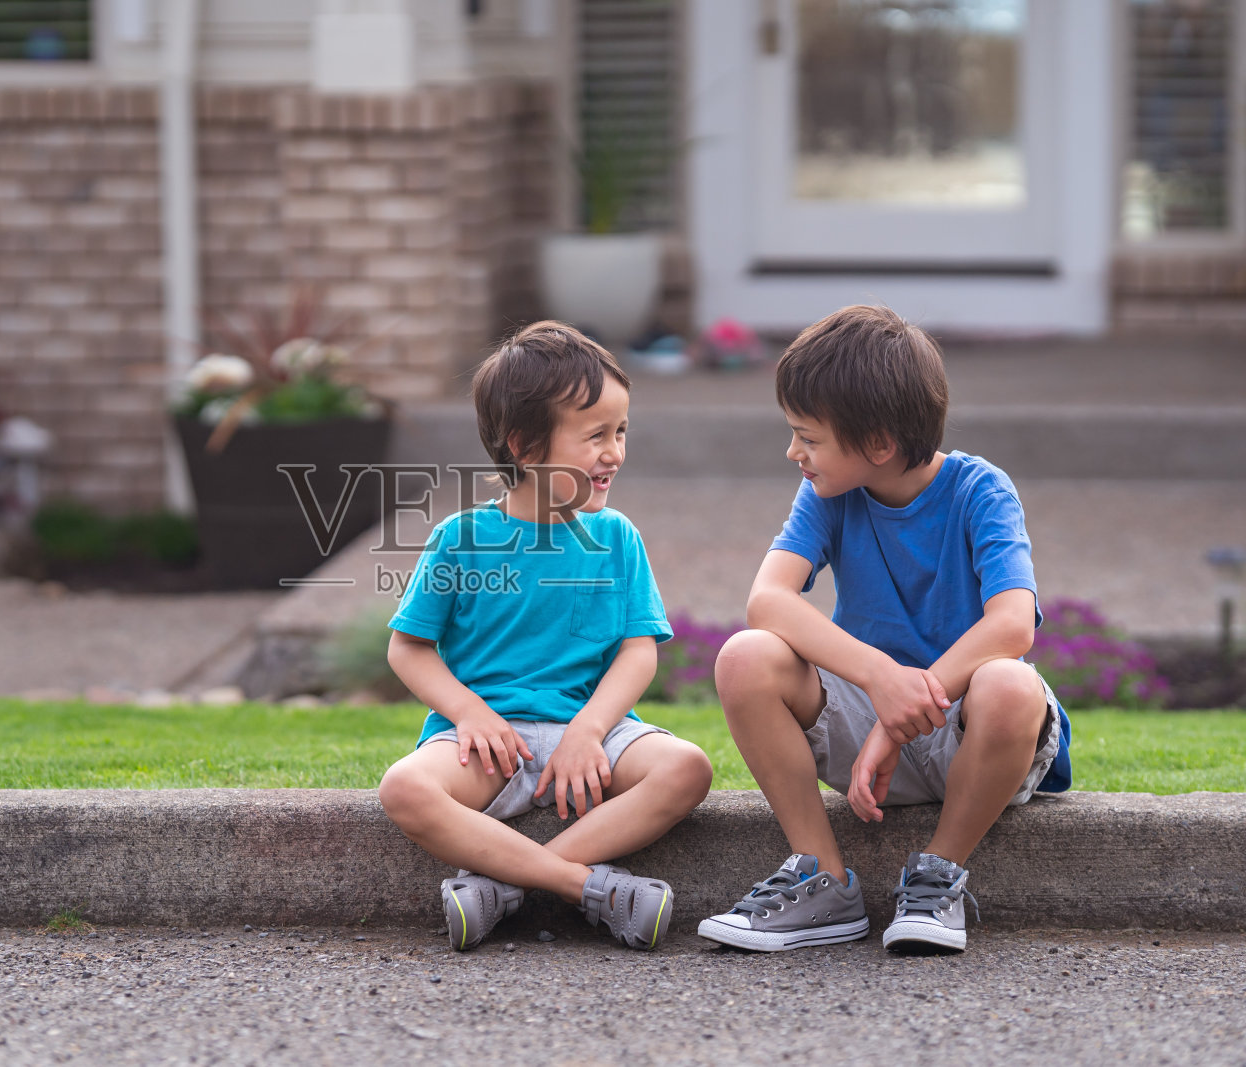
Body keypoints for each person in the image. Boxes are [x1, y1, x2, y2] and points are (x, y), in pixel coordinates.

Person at [697, 304, 1070, 953]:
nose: (794, 453)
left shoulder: (980, 490)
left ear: (878, 443)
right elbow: (767, 601)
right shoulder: (827, 494)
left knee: (1011, 684)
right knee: (745, 656)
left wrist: (903, 710)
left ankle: (938, 875)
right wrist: (879, 680)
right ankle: (823, 879)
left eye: (807, 437)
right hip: (867, 723)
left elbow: (1012, 623)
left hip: (968, 740)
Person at [378, 320, 713, 951]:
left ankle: (503, 889)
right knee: (404, 787)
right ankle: (587, 887)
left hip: (595, 735)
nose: (614, 451)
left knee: (686, 768)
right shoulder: (462, 538)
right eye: (595, 436)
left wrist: (589, 730)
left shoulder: (616, 537)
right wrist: (469, 714)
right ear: (527, 446)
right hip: (487, 745)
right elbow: (409, 647)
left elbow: (637, 651)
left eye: (620, 432)